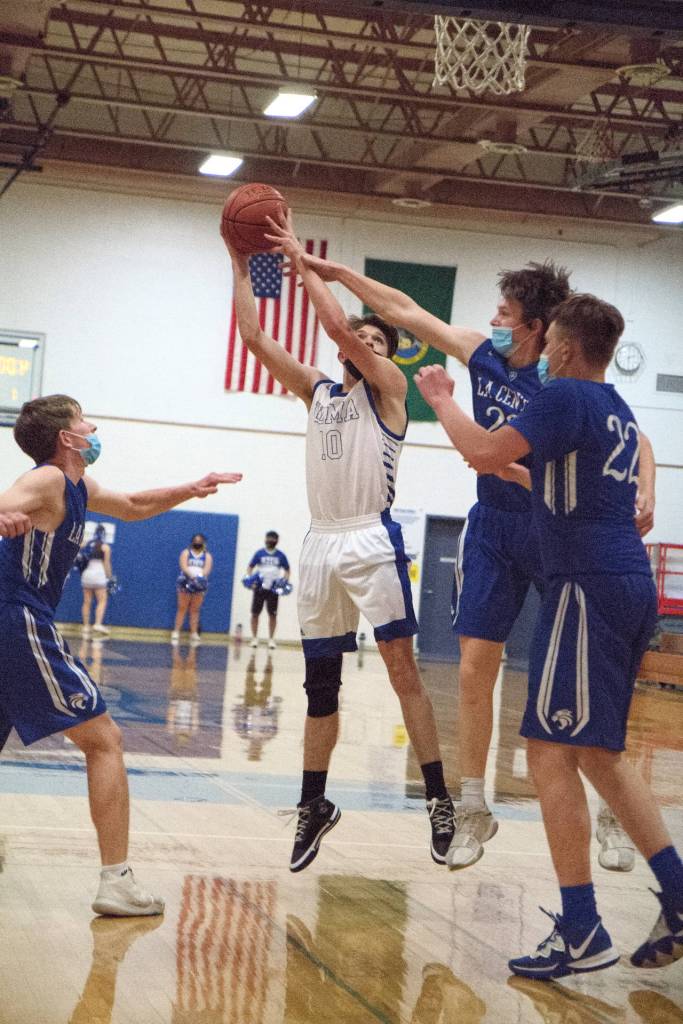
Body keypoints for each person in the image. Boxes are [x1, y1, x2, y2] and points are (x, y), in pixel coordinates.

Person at [290, 249, 655, 873]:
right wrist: (336, 273)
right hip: (491, 527)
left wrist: (648, 483)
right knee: (472, 668)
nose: (494, 319)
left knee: (581, 673)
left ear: (537, 327)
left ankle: (611, 816)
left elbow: (635, 435)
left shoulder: (560, 382)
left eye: (505, 312)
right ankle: (472, 805)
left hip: (551, 527)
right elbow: (405, 309)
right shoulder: (480, 354)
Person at [414, 294, 682, 978]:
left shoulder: (561, 398)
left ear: (561, 348)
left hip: (585, 588)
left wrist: (443, 398)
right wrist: (515, 471)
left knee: (546, 753)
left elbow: (477, 451)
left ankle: (581, 926)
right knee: (596, 754)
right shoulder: (612, 407)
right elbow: (561, 481)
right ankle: (677, 895)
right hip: (623, 583)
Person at [226, 211, 456, 872]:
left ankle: (438, 799)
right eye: (361, 338)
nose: (366, 345)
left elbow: (333, 325)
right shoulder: (319, 391)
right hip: (320, 546)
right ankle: (313, 805)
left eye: (377, 341)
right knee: (319, 687)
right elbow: (251, 336)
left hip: (369, 539)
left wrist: (299, 260)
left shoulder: (390, 390)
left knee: (400, 669)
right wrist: (240, 264)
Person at [0, 394, 241, 915]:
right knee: (104, 738)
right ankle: (116, 880)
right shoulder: (44, 479)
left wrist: (190, 488)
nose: (93, 426)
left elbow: (131, 506)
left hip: (15, 614)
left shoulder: (79, 486)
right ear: (68, 438)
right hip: (14, 615)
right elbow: (7, 499)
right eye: (84, 419)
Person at [246, 530, 290, 649]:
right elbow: (250, 567)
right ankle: (254, 639)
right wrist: (251, 580)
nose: (270, 540)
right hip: (260, 588)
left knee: (273, 615)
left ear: (277, 541)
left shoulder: (281, 555)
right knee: (255, 614)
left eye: (273, 539)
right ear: (265, 539)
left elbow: (287, 570)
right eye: (268, 538)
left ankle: (271, 640)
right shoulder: (259, 553)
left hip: (273, 589)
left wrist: (284, 582)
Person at [171, 533, 212, 645]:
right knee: (182, 607)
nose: (197, 543)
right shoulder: (186, 552)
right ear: (192, 541)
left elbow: (207, 569)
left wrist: (199, 579)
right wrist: (191, 577)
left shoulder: (207, 556)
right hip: (186, 582)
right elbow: (183, 566)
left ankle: (193, 633)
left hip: (199, 584)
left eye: (200, 541)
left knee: (195, 609)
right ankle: (176, 632)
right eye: (195, 540)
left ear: (203, 542)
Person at [79, 523, 113, 637]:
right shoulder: (105, 547)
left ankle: (85, 626)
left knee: (86, 601)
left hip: (87, 574)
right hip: (99, 574)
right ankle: (97, 624)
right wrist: (109, 577)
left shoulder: (88, 544)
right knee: (102, 600)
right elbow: (106, 564)